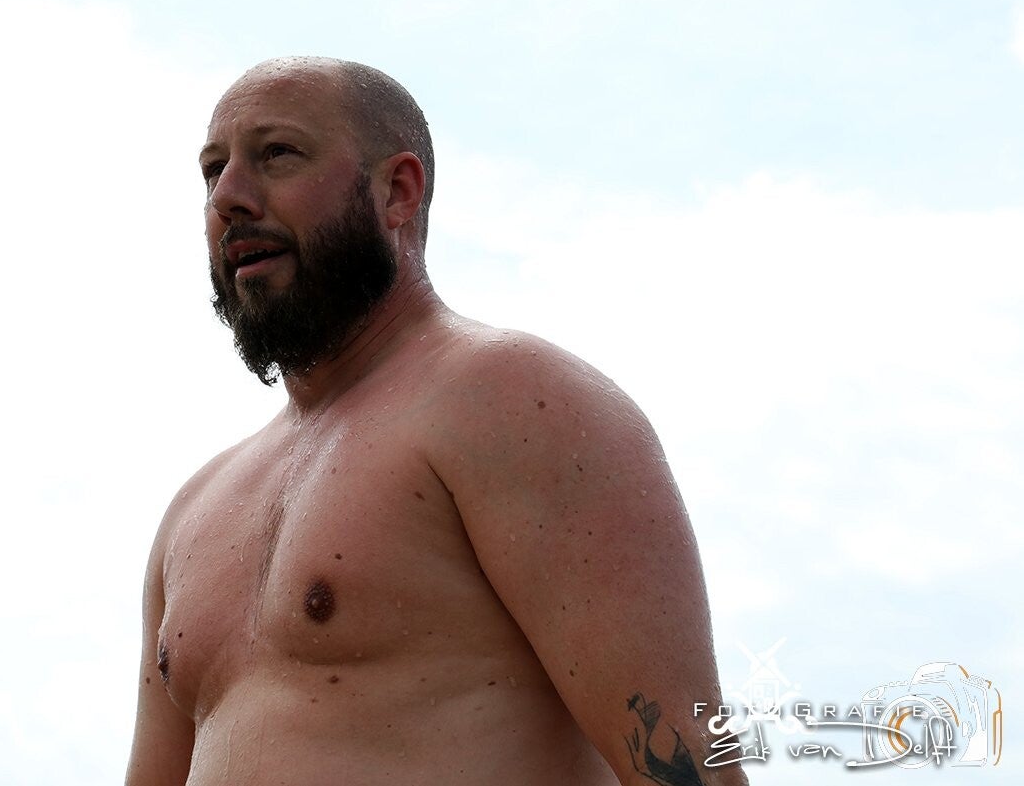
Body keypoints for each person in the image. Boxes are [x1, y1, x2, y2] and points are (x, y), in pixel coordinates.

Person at [125, 57, 749, 786]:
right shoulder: (193, 512)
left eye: (277, 154)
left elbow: (687, 768)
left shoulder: (514, 402)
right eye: (212, 170)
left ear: (397, 190)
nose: (228, 196)